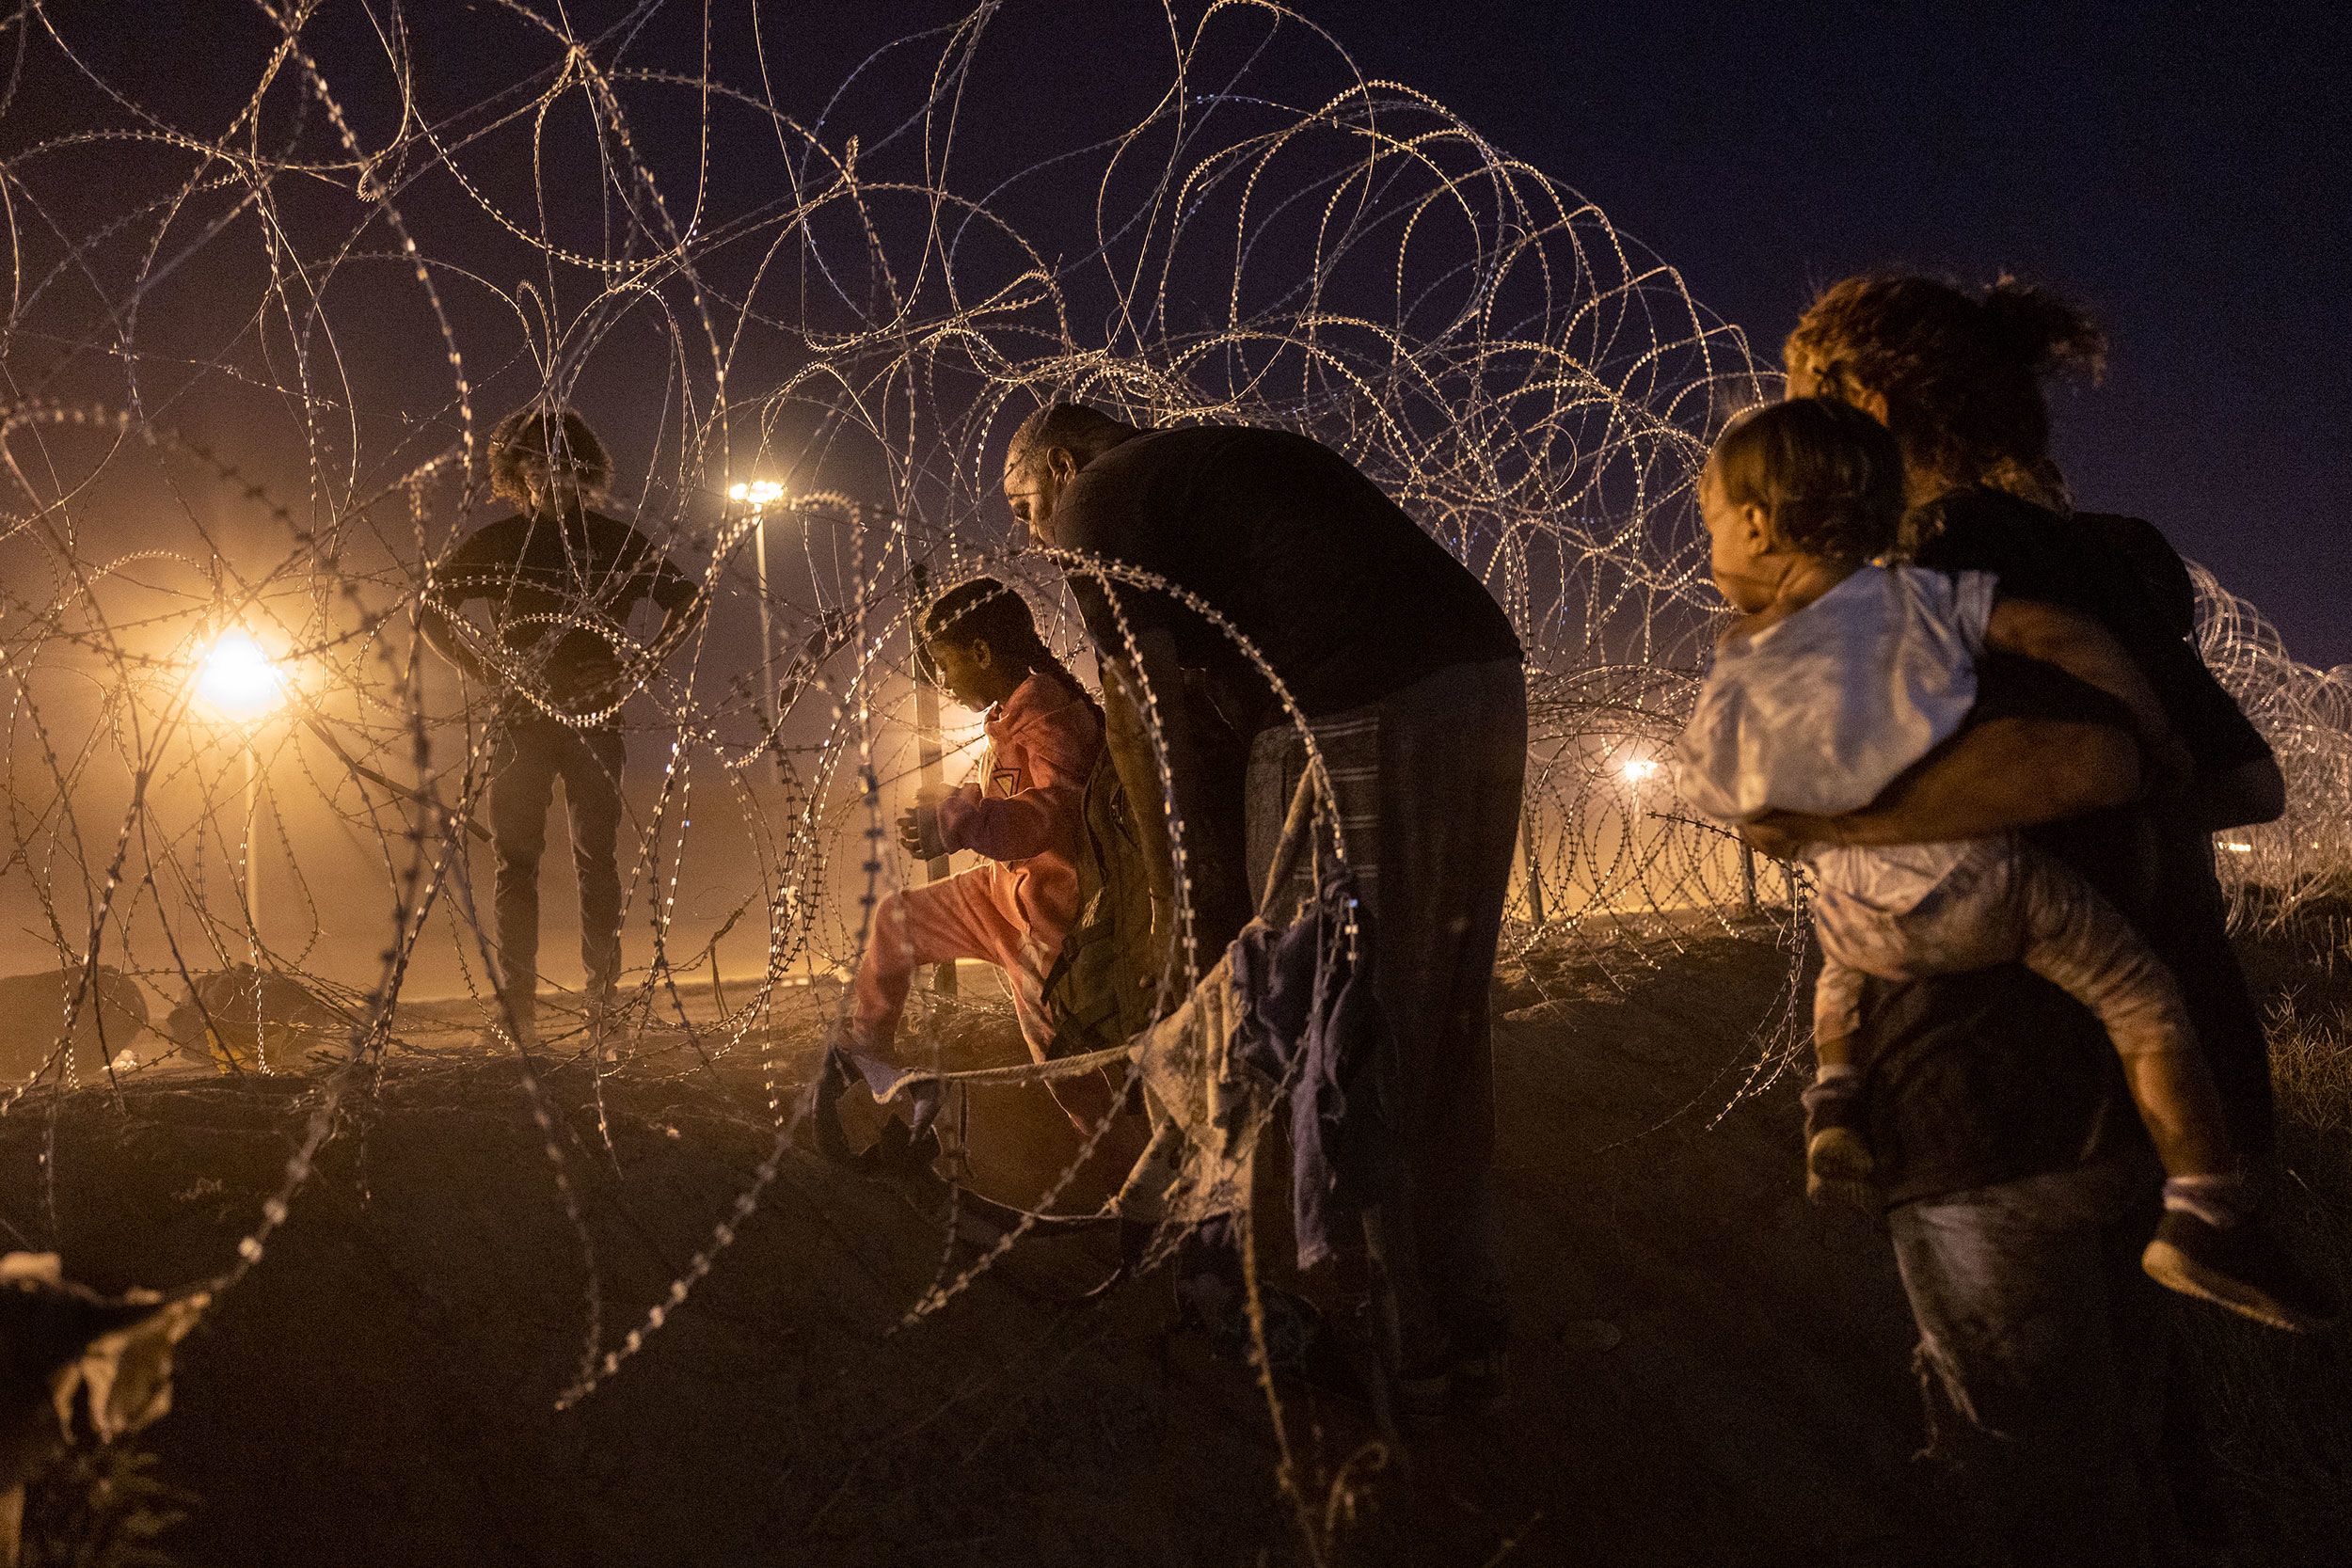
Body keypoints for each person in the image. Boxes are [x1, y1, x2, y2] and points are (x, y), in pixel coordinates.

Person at [1745, 275, 2315, 1562]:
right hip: (2160, 1084)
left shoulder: (1916, 576)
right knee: (2147, 1427)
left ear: (1869, 410)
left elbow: (2076, 762)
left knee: (2044, 1488)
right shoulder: (2096, 559)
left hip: (1992, 1091)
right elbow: (2245, 779)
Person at [1674, 396, 2326, 1331]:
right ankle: (2200, 1206)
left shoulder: (1742, 650)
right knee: (2139, 995)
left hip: (1861, 911)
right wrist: (2147, 729)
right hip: (1990, 884)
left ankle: (1833, 1107)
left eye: (1707, 528)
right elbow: (2065, 640)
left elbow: (1742, 809)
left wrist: (1805, 800)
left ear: (1754, 523)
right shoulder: (1922, 598)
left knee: (1836, 980)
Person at [1003, 403, 1526, 1405]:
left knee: (1335, 1025)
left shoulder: (1099, 496)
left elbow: (1146, 715)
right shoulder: (1216, 464)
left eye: (1025, 506)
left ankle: (1393, 1331)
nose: (1033, 535)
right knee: (1438, 1021)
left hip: (1350, 709)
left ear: (1062, 463)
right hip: (1479, 682)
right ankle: (1469, 1318)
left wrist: (1189, 917)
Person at [421, 405, 702, 1044]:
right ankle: (516, 1010)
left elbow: (688, 599)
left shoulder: (615, 540)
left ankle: (603, 1005)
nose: (556, 477)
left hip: (594, 717)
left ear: (589, 473)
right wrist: (483, 669)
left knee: (593, 860)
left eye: (570, 466)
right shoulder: (499, 542)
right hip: (521, 718)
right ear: (518, 471)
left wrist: (640, 669)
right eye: (541, 464)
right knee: (515, 863)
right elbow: (432, 607)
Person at [845, 576, 1136, 1137]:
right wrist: (951, 814)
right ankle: (865, 1053)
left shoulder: (1053, 718)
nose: (944, 681)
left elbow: (1046, 816)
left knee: (1068, 1068)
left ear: (982, 651)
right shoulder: (1012, 717)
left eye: (947, 664)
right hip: (1003, 896)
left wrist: (963, 826)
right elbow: (1000, 794)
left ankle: (1135, 1174)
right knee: (896, 919)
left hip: (1052, 924)